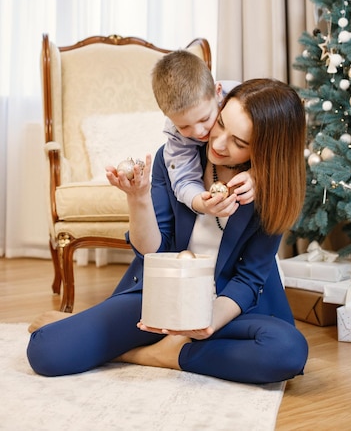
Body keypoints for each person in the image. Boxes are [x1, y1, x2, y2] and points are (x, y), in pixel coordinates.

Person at [27, 78, 308, 384]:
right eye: (221, 123)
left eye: (239, 143)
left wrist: (205, 323)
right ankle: (155, 345)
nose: (217, 143)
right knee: (46, 350)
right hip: (160, 296)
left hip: (230, 309)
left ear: (266, 150)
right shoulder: (175, 159)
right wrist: (138, 198)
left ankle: (160, 354)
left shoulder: (273, 188)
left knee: (287, 352)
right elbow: (152, 252)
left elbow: (248, 280)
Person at [151, 49, 252, 215]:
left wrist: (256, 175)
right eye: (184, 126)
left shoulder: (241, 100)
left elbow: (277, 135)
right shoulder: (175, 134)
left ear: (218, 92)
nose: (198, 132)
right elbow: (183, 178)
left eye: (205, 119)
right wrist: (202, 203)